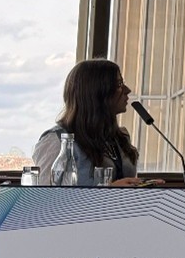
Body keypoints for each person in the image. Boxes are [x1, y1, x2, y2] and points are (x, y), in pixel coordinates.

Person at [32, 58, 154, 186]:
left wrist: (144, 186)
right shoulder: (57, 140)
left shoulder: (120, 137)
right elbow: (45, 195)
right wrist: (109, 191)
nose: (127, 90)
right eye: (119, 84)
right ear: (96, 93)